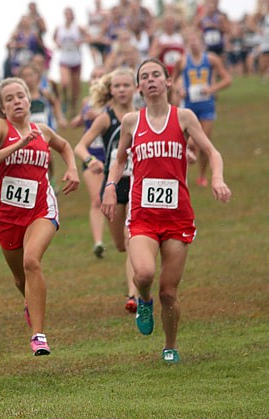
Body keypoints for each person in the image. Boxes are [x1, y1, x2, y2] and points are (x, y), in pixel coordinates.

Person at [101, 59, 232, 364]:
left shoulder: (184, 117)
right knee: (144, 273)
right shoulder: (132, 122)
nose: (150, 80)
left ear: (167, 81)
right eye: (144, 77)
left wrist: (216, 177)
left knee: (169, 292)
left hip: (176, 217)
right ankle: (142, 300)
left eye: (156, 75)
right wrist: (110, 184)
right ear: (139, 87)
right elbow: (119, 159)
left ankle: (169, 345)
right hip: (143, 216)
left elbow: (212, 152)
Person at [0, 77, 79, 356]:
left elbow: (65, 146)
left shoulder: (42, 130)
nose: (16, 101)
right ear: (2, 107)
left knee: (31, 261)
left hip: (42, 208)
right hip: (9, 214)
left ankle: (38, 335)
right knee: (21, 279)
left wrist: (72, 169)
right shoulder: (0, 127)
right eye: (9, 98)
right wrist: (16, 145)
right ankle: (30, 302)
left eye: (20, 96)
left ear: (29, 99)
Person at [74, 67, 140, 313]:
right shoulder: (105, 118)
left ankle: (134, 295)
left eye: (126, 85)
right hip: (112, 186)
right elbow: (80, 146)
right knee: (121, 245)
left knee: (131, 238)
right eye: (117, 86)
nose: (122, 90)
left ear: (135, 88)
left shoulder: (142, 116)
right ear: (110, 90)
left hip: (137, 184)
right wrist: (91, 162)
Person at [173, 28, 232, 187]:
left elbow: (227, 79)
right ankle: (188, 159)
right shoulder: (183, 62)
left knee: (205, 141)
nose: (193, 44)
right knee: (192, 143)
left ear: (201, 42)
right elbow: (171, 81)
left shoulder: (211, 59)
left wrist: (211, 89)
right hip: (189, 107)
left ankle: (202, 175)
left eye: (196, 41)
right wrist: (180, 90)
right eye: (190, 42)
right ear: (186, 44)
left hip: (207, 105)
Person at [69, 66, 107, 259]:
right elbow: (78, 120)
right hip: (90, 155)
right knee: (97, 200)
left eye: (101, 76)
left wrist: (99, 117)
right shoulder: (86, 101)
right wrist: (78, 120)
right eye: (93, 76)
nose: (96, 79)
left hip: (113, 156)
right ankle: (98, 242)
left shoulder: (113, 100)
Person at [54, 7, 86, 116]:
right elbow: (54, 38)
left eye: (69, 14)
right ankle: (65, 101)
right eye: (66, 14)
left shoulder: (78, 28)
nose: (68, 16)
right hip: (64, 58)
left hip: (76, 59)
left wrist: (81, 41)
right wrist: (57, 44)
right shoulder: (59, 28)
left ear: (72, 15)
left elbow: (87, 37)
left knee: (75, 87)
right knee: (64, 83)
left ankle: (73, 106)